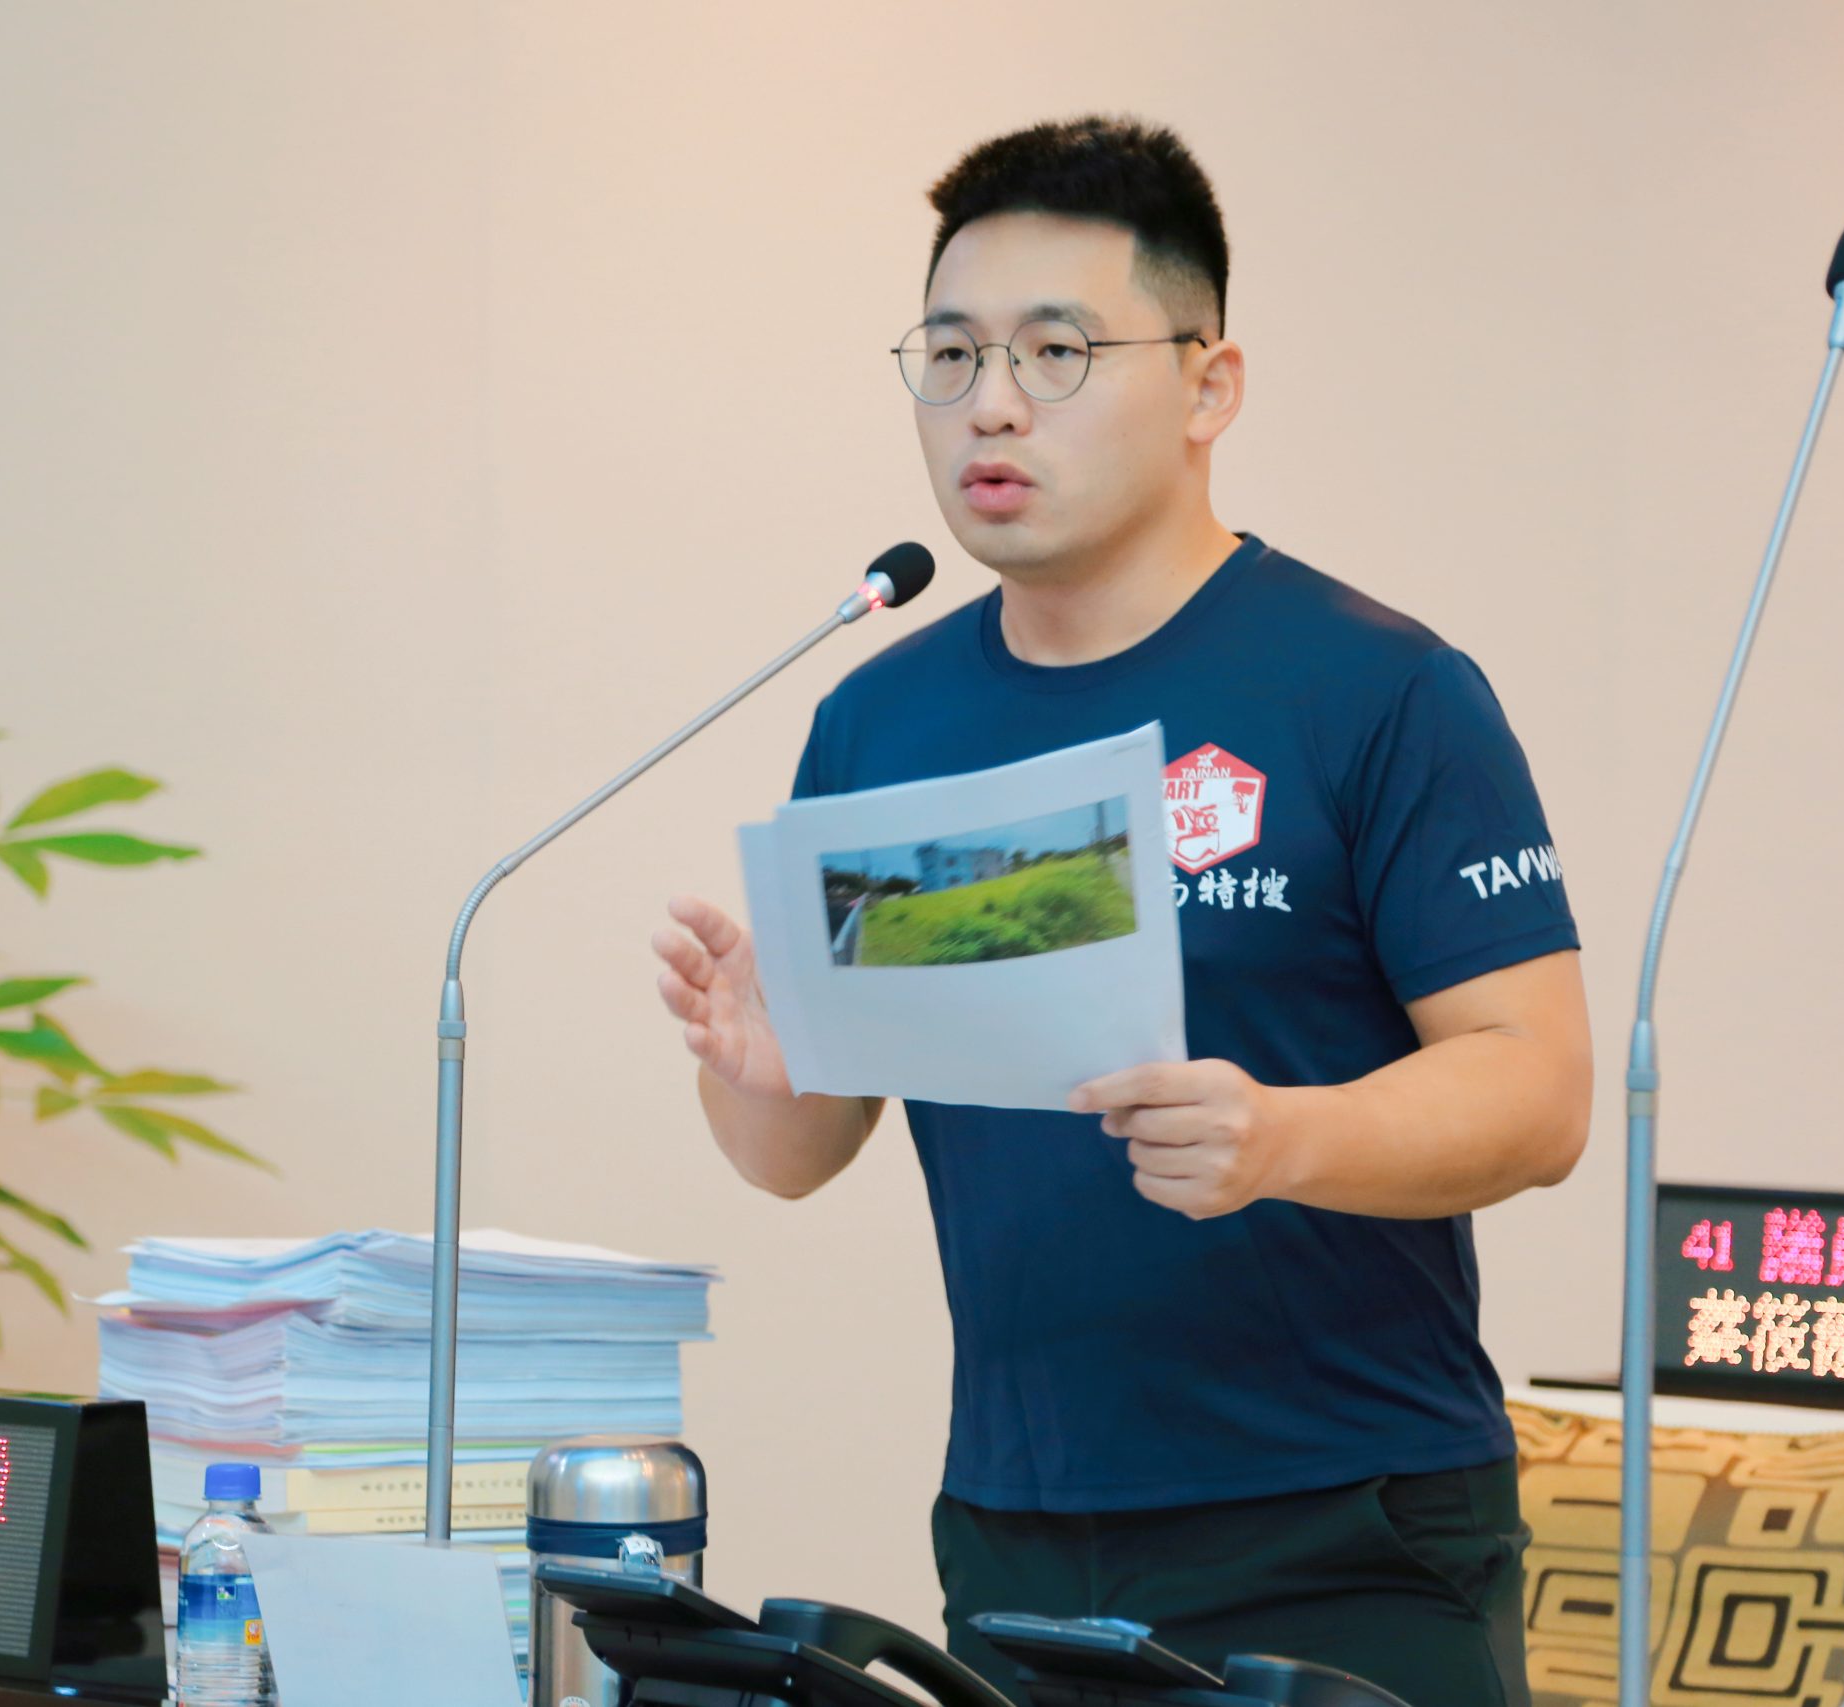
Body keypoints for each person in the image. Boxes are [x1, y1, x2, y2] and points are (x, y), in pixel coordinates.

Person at [650, 115, 1589, 1707]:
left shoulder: (1376, 690)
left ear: (1209, 387)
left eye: (1057, 351)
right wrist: (759, 1067)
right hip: (1019, 1530)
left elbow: (1538, 1087)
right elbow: (801, 1152)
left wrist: (1284, 1139)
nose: (991, 402)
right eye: (951, 354)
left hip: (1345, 1527)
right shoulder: (884, 725)